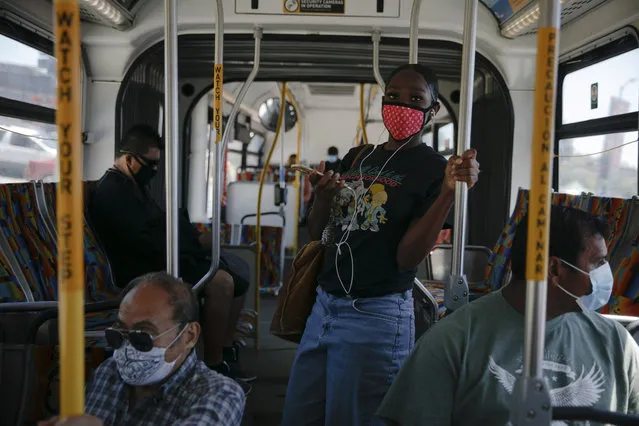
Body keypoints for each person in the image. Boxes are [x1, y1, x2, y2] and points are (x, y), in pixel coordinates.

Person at [280, 63, 480, 426]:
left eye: (415, 99)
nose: (401, 105)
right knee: (299, 415)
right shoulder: (358, 157)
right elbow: (320, 235)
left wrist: (448, 194)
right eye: (393, 97)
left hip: (375, 315)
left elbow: (407, 258)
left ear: (432, 111)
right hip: (324, 306)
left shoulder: (434, 169)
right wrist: (323, 198)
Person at [377, 205, 639, 426]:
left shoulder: (617, 344)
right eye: (597, 263)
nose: (606, 275)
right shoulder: (453, 343)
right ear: (554, 268)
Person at [88, 124, 255, 391]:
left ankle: (226, 349)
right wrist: (192, 245)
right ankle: (214, 364)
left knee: (236, 270)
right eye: (150, 164)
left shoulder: (133, 186)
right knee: (220, 281)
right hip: (137, 269)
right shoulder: (113, 193)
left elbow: (158, 224)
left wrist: (191, 238)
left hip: (154, 257)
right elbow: (142, 240)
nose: (154, 171)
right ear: (129, 159)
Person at [38, 272, 245, 426]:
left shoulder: (220, 394)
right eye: (118, 335)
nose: (127, 349)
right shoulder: (108, 372)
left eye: (142, 336)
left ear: (189, 336)